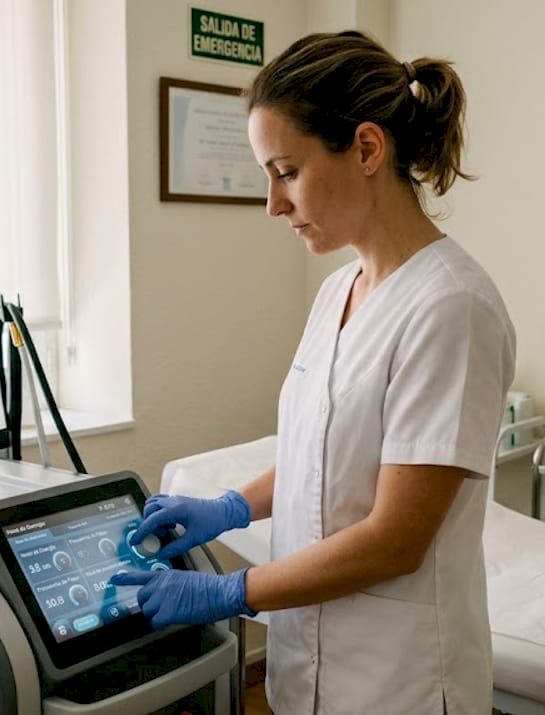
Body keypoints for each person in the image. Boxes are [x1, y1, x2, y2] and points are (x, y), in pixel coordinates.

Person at [112, 30, 516, 714]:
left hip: (400, 684)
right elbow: (320, 453)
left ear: (366, 149)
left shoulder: (453, 307)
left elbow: (395, 541)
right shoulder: (338, 291)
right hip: (305, 674)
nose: (272, 203)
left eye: (286, 171)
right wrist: (232, 507)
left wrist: (230, 592)